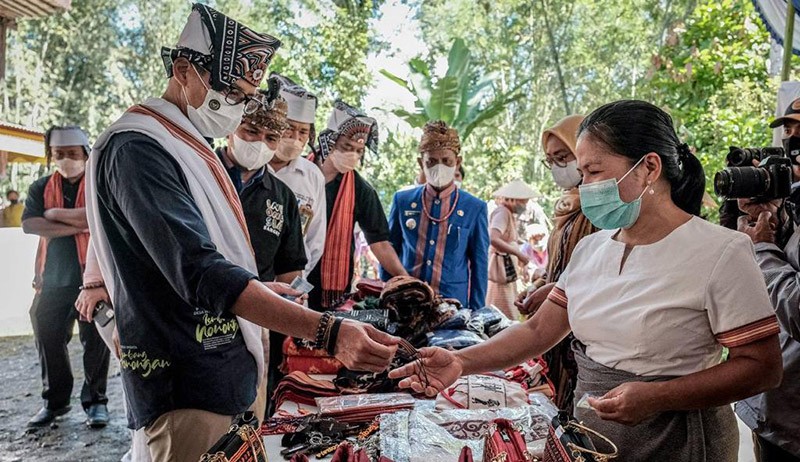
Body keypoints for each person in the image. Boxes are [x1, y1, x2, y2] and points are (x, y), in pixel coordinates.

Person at [84, 5, 398, 460]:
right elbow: (197, 270)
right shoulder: (138, 148)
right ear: (182, 69)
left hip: (223, 368)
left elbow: (208, 259)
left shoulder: (189, 145)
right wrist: (329, 332)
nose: (236, 105)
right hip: (186, 383)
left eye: (246, 96)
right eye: (230, 90)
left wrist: (255, 287)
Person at [390, 100, 783, 461]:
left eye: (595, 171)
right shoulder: (593, 248)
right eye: (582, 173)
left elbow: (762, 367)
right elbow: (539, 331)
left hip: (678, 442)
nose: (585, 186)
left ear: (649, 167)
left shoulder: (721, 251)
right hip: (593, 438)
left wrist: (658, 397)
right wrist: (460, 362)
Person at [22, 125, 110, 429]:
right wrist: (81, 225)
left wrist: (54, 215)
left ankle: (96, 402)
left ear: (86, 154)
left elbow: (101, 217)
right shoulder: (41, 187)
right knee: (47, 333)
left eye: (72, 154)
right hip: (54, 278)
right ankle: (54, 402)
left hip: (93, 279)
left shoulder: (100, 184)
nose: (66, 159)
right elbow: (31, 225)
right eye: (59, 154)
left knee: (96, 341)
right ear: (51, 156)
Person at [515, 114, 596, 412]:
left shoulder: (603, 208)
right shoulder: (566, 208)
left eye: (564, 157)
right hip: (553, 323)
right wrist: (537, 285)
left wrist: (551, 289)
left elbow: (596, 271)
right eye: (551, 160)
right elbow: (558, 266)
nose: (558, 167)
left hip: (582, 327)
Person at [734, 99, 800, 461]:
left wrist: (763, 250)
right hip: (775, 413)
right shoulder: (791, 206)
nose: (791, 144)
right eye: (788, 132)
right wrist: (767, 217)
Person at [308, 100, 407, 310]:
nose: (352, 155)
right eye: (347, 147)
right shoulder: (297, 172)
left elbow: (379, 242)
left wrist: (406, 279)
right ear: (329, 140)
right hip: (289, 276)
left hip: (331, 289)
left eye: (359, 150)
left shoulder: (360, 189)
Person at [383, 121, 488, 309]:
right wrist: (386, 291)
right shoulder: (402, 200)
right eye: (431, 162)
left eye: (446, 161)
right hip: (406, 303)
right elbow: (389, 250)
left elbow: (479, 265)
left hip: (453, 304)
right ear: (420, 163)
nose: (439, 167)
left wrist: (477, 311)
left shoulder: (474, 207)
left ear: (458, 162)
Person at [217, 87, 307, 284]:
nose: (260, 143)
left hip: (253, 308)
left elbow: (290, 269)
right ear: (230, 128)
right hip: (193, 304)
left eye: (271, 138)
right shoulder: (200, 171)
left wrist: (292, 300)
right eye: (251, 131)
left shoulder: (283, 197)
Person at [269, 73, 327, 275]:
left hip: (292, 284)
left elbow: (315, 240)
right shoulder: (253, 165)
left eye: (303, 132)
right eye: (289, 128)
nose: (295, 138)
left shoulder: (312, 176)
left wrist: (295, 281)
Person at [487, 180, 538, 319]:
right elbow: (493, 238)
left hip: (507, 269)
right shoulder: (502, 213)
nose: (525, 206)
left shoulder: (508, 214)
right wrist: (518, 254)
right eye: (523, 202)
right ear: (513, 200)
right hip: (500, 270)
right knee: (501, 309)